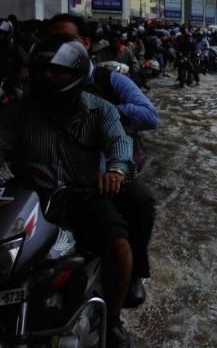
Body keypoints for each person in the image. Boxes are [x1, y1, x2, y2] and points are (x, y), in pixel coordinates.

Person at [0, 35, 146, 348]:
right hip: (29, 200)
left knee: (120, 246)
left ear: (77, 73)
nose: (47, 77)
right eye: (42, 70)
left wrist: (116, 171)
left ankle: (114, 320)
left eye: (57, 71)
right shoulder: (17, 113)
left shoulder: (101, 110)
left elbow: (120, 143)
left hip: (81, 195)